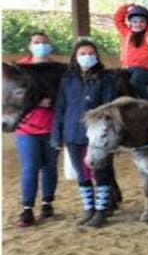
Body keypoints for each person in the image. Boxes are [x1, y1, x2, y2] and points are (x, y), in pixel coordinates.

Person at [51, 38, 118, 228]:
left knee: (101, 171)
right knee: (82, 173)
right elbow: (61, 106)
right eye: (82, 54)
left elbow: (109, 106)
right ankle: (89, 208)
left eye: (91, 54)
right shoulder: (68, 79)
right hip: (72, 131)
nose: (87, 57)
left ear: (96, 56)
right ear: (75, 57)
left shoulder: (106, 78)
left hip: (97, 134)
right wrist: (57, 134)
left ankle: (102, 210)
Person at [14, 32, 60, 227]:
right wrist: (37, 101)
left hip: (52, 127)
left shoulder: (58, 69)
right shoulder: (19, 68)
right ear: (30, 45)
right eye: (36, 42)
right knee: (30, 167)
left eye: (44, 43)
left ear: (50, 46)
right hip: (26, 127)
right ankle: (27, 208)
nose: (40, 45)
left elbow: (64, 95)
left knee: (50, 167)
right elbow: (13, 96)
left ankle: (47, 203)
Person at [114, 3, 148, 96]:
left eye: (142, 21)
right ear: (131, 23)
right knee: (117, 81)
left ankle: (146, 102)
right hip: (128, 69)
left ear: (147, 23)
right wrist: (125, 8)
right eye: (135, 21)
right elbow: (118, 21)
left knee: (135, 81)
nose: (138, 24)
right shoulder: (127, 34)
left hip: (146, 70)